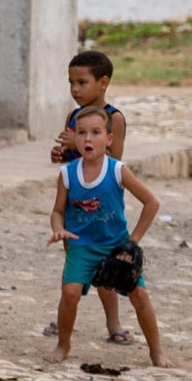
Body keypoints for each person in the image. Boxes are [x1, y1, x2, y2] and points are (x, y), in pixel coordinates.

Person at [44, 106, 172, 368]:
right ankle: (63, 345)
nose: (87, 139)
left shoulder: (117, 170)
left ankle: (157, 352)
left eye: (95, 132)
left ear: (109, 139)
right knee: (69, 293)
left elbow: (152, 203)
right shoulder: (67, 174)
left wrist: (132, 241)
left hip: (117, 245)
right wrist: (58, 228)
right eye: (81, 133)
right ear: (74, 138)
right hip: (82, 246)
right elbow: (57, 211)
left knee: (140, 297)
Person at [46, 51, 132, 345]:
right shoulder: (74, 117)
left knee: (106, 266)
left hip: (105, 207)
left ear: (103, 82)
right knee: (74, 262)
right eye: (71, 82)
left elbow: (114, 160)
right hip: (76, 205)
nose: (75, 89)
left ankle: (114, 324)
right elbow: (74, 159)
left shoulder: (114, 118)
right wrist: (62, 153)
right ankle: (65, 317)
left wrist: (78, 142)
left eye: (82, 82)